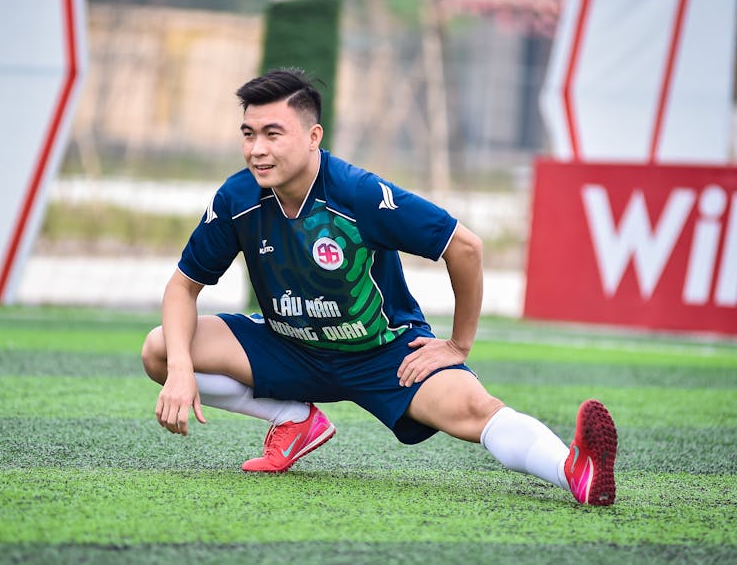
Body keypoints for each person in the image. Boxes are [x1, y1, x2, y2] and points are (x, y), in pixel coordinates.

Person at [141, 68, 618, 506]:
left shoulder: (359, 193)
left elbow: (465, 247)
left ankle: (573, 470)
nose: (256, 150)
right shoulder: (236, 198)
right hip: (289, 346)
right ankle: (293, 418)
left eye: (272, 134)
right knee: (161, 350)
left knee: (474, 409)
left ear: (313, 137)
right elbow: (182, 289)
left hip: (384, 354)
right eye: (248, 134)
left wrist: (457, 344)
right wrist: (181, 369)